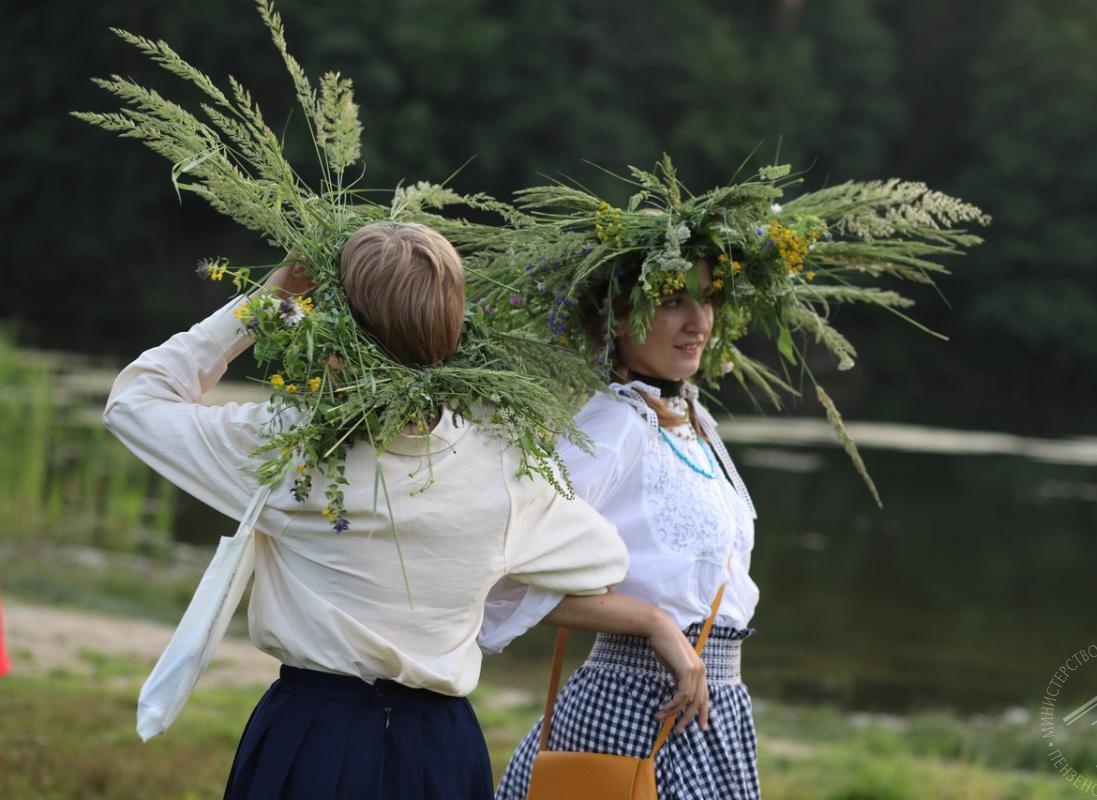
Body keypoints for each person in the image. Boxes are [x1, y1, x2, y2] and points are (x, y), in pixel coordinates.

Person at [104, 221, 706, 800]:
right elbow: (600, 561)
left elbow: (135, 403)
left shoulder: (288, 448)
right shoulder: (504, 462)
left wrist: (263, 305)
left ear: (335, 329)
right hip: (440, 750)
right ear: (452, 331)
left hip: (310, 735)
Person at [494, 257, 762, 799]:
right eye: (672, 302)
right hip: (634, 708)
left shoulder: (693, 417)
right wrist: (655, 624)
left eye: (705, 299)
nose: (699, 322)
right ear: (618, 320)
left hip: (716, 707)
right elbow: (505, 568)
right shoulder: (614, 424)